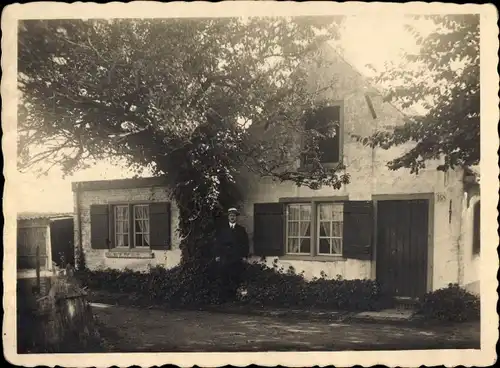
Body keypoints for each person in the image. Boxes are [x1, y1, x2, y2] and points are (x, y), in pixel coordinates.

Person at [214, 207, 249, 301]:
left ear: (236, 217)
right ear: (228, 217)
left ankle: (234, 297)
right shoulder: (223, 230)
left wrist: (244, 256)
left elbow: (245, 243)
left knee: (235, 275)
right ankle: (224, 297)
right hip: (225, 256)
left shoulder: (241, 230)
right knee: (224, 275)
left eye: (234, 216)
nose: (232, 217)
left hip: (236, 257)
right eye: (230, 215)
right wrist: (217, 255)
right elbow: (218, 243)